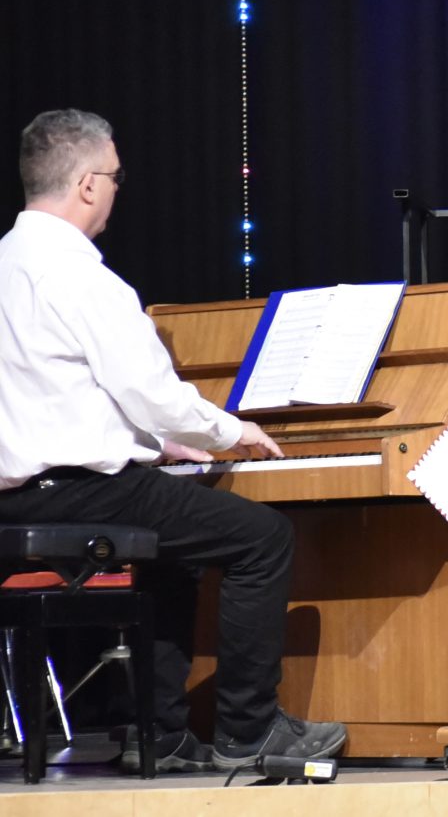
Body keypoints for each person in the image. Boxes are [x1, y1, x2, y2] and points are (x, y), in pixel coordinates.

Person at [0, 111, 343, 775]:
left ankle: (158, 732)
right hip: (79, 490)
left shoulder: (8, 263)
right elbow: (152, 393)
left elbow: (51, 393)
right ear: (89, 184)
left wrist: (155, 444)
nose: (116, 190)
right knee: (263, 538)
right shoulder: (80, 277)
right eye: (116, 177)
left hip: (16, 497)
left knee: (175, 549)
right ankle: (250, 729)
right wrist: (231, 431)